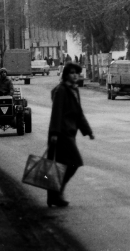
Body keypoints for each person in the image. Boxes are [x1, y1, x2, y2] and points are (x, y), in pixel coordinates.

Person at [47, 62, 95, 207]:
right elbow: (57, 112)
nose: (75, 75)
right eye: (72, 73)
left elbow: (79, 114)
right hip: (61, 134)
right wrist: (54, 133)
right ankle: (57, 193)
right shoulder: (62, 90)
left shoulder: (74, 90)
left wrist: (88, 131)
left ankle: (54, 196)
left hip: (69, 133)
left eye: (77, 73)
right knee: (74, 162)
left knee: (62, 166)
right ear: (66, 75)